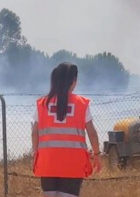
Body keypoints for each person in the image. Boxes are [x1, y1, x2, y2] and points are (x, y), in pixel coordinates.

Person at [31, 62, 101, 197]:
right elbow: (92, 133)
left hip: (47, 163)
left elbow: (35, 132)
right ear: (73, 81)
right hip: (73, 164)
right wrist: (97, 155)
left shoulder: (43, 103)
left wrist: (35, 153)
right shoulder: (82, 104)